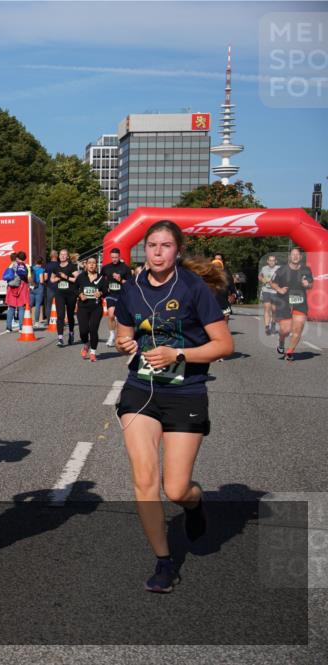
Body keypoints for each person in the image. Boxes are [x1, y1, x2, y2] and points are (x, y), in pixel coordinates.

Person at [113, 220, 233, 593]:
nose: (158, 252)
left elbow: (223, 346)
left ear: (177, 250)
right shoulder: (131, 289)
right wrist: (124, 344)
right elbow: (122, 332)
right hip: (141, 390)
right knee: (144, 479)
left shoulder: (195, 289)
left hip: (186, 391)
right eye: (152, 245)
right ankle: (164, 562)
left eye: (166, 245)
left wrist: (178, 352)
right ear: (144, 250)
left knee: (176, 488)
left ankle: (194, 506)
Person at [271, 247, 314, 362]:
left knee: (298, 329)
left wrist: (307, 284)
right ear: (289, 257)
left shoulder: (306, 270)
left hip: (300, 302)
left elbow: (311, 285)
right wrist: (279, 289)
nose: (295, 256)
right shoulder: (281, 270)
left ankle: (289, 352)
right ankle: (281, 342)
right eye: (293, 254)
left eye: (297, 254)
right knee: (285, 330)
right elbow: (273, 283)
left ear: (300, 257)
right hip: (284, 302)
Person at [75, 255, 107, 362]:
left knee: (93, 329)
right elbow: (74, 289)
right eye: (90, 263)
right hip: (83, 307)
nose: (92, 265)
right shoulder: (81, 277)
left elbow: (107, 291)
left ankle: (93, 352)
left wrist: (101, 293)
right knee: (83, 331)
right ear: (86, 265)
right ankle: (86, 344)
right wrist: (80, 294)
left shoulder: (101, 278)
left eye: (94, 263)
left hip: (96, 307)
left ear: (96, 265)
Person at [50, 249, 80, 347]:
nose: (62, 256)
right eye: (61, 254)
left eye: (64, 255)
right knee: (60, 315)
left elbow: (77, 279)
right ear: (59, 256)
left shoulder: (72, 266)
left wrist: (66, 277)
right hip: (60, 294)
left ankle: (71, 333)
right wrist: (58, 278)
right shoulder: (56, 267)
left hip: (71, 294)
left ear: (67, 256)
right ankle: (60, 338)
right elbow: (52, 279)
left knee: (70, 315)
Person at [103, 248, 132, 347]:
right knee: (111, 315)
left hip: (122, 295)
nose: (114, 259)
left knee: (120, 317)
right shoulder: (106, 268)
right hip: (111, 295)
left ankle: (122, 335)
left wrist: (120, 279)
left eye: (116, 257)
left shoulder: (125, 268)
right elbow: (101, 279)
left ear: (119, 256)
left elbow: (130, 283)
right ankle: (111, 336)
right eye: (112, 257)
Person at [3, 251, 30, 332]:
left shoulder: (11, 265)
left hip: (11, 288)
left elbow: (7, 276)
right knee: (21, 307)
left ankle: (8, 327)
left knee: (11, 307)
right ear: (25, 258)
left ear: (17, 257)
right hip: (22, 287)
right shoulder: (25, 266)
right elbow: (28, 277)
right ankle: (21, 327)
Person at [258, 254, 279, 336]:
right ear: (267, 261)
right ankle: (267, 327)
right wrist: (262, 279)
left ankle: (273, 324)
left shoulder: (279, 268)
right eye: (270, 260)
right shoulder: (264, 268)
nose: (271, 262)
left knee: (274, 310)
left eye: (273, 260)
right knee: (267, 308)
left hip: (275, 291)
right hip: (266, 290)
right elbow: (260, 276)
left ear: (276, 261)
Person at [30, 256, 46, 327]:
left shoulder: (31, 268)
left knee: (29, 305)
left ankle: (26, 320)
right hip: (39, 287)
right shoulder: (41, 270)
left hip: (31, 288)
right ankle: (36, 322)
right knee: (37, 305)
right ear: (41, 262)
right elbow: (42, 281)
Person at [43, 250, 59, 322]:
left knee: (49, 304)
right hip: (59, 286)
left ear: (50, 256)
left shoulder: (47, 265)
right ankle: (59, 319)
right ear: (57, 256)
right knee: (59, 304)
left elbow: (45, 277)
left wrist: (45, 282)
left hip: (49, 287)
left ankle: (49, 320)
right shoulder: (60, 265)